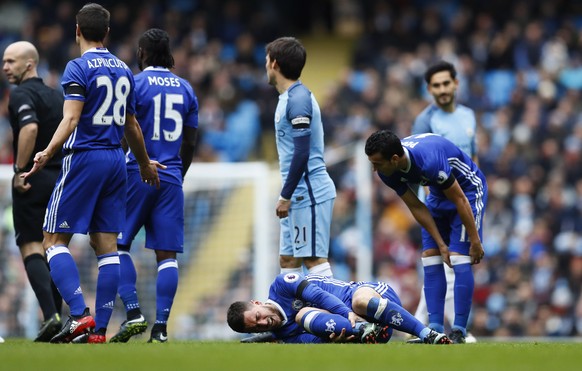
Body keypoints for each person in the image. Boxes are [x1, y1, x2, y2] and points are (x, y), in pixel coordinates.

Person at [22, 3, 163, 344]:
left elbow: (70, 120)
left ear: (77, 31)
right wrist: (143, 163)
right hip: (117, 159)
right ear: (108, 33)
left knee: (52, 240)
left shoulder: (77, 67)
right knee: (107, 246)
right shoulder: (124, 69)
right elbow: (132, 125)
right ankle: (99, 330)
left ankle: (79, 315)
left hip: (84, 157)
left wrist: (46, 152)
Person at [109, 28, 198, 344]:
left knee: (116, 245)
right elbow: (190, 140)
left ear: (143, 53)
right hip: (171, 176)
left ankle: (133, 312)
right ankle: (160, 328)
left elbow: (124, 129)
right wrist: (178, 173)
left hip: (137, 171)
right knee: (167, 255)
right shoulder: (186, 89)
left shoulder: (135, 83)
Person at [364, 130, 487, 344]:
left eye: (377, 163)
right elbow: (415, 206)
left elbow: (459, 199)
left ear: (394, 159)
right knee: (430, 256)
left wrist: (475, 241)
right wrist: (440, 243)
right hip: (438, 195)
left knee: (459, 257)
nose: (374, 169)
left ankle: (459, 331)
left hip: (467, 192)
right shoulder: (387, 172)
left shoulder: (429, 162)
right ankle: (435, 330)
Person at [410, 60, 478, 342]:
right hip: (439, 202)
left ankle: (426, 326)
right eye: (436, 86)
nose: (442, 90)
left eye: (446, 83)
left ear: (456, 83)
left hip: (466, 199)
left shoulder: (469, 116)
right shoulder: (425, 121)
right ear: (429, 89)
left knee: (449, 265)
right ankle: (437, 327)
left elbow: (472, 160)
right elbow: (415, 166)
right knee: (441, 263)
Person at [3, 41, 64, 342]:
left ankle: (50, 315)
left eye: (11, 62)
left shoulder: (20, 94)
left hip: (33, 178)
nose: (5, 67)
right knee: (53, 248)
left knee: (30, 246)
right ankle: (63, 320)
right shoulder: (57, 95)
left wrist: (19, 170)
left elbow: (29, 128)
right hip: (61, 180)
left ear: (29, 64)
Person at [265, 37, 336, 278]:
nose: (265, 65)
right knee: (288, 259)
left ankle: (334, 315)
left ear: (274, 63)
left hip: (309, 191)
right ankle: (290, 316)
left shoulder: (298, 99)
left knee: (313, 259)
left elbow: (302, 152)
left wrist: (285, 195)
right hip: (296, 192)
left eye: (266, 60)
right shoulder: (288, 98)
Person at [227, 273, 452, 344]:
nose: (263, 322)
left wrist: (346, 314)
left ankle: (426, 333)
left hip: (372, 297)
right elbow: (313, 342)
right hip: (369, 330)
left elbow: (317, 295)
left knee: (359, 301)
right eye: (257, 328)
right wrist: (335, 339)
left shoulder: (281, 285)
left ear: (257, 303)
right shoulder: (286, 334)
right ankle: (365, 331)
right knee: (303, 316)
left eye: (258, 316)